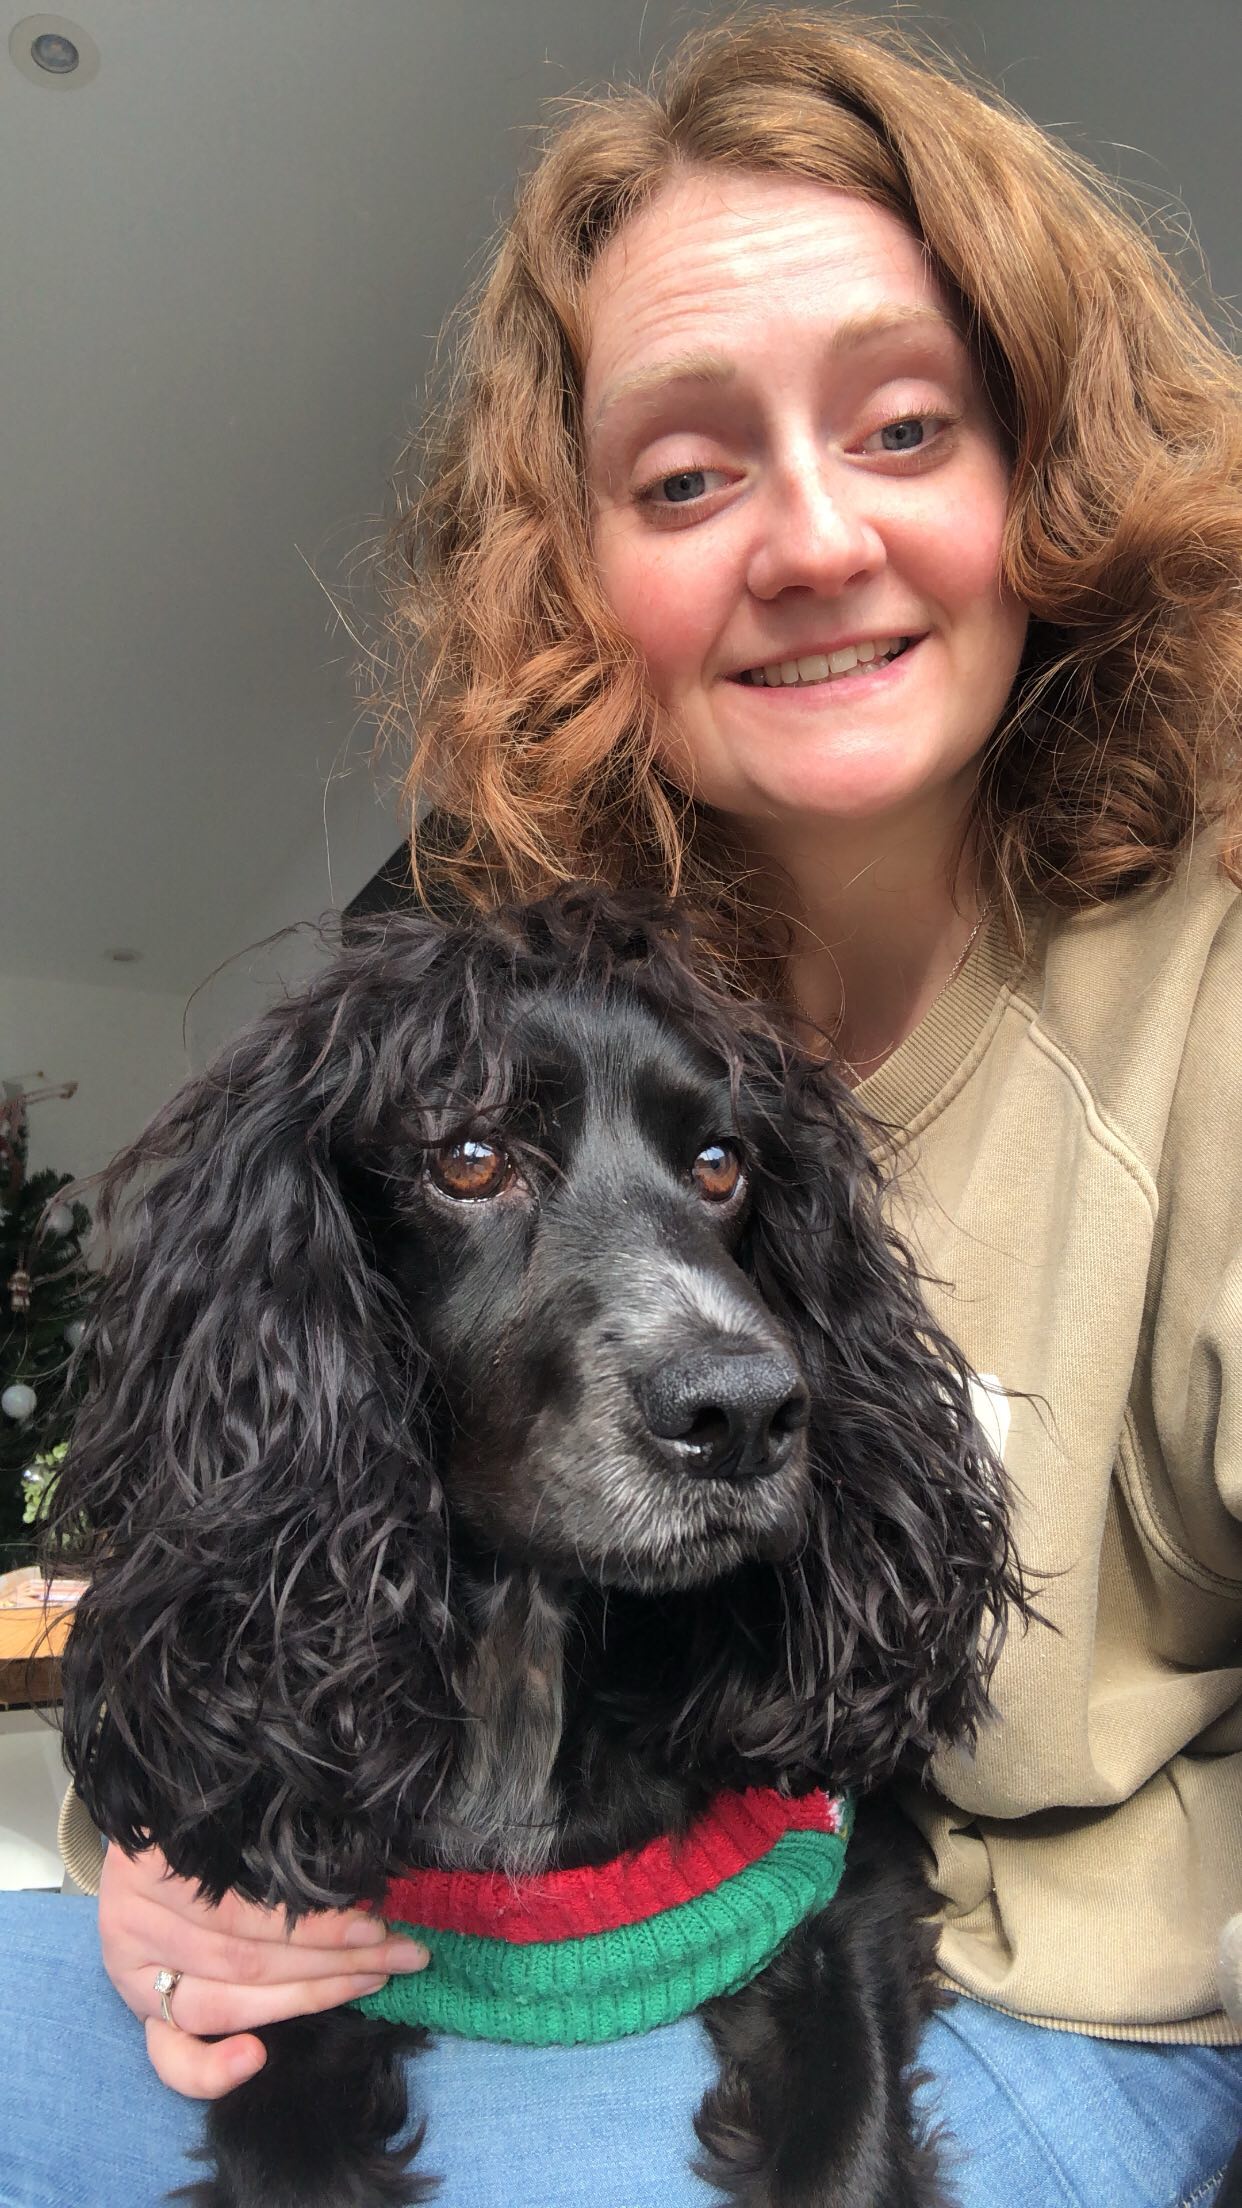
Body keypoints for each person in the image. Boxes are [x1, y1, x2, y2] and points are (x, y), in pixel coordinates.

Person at [4, 11, 1241, 2205]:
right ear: (582, 575)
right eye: (685, 475)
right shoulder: (508, 982)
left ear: (1036, 479)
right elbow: (271, 1489)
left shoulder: (1212, 990)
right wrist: (173, 1853)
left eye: (907, 424)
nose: (811, 534)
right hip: (501, 1916)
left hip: (1041, 1976)